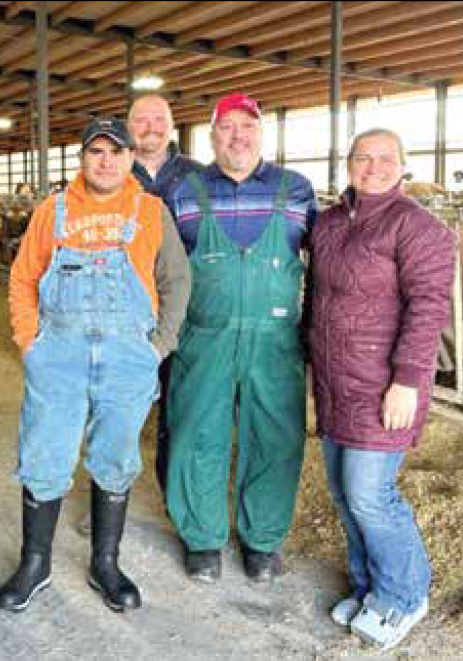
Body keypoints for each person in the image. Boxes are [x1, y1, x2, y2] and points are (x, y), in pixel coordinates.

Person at [0, 117, 190, 613]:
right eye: (96, 152)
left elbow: (176, 281)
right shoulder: (51, 211)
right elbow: (22, 279)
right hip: (58, 354)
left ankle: (105, 562)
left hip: (129, 355)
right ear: (82, 158)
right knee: (45, 454)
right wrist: (29, 342)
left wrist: (158, 346)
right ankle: (35, 564)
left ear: (130, 159)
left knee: (116, 456)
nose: (106, 161)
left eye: (116, 152)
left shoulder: (151, 211)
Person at [310, 128, 454, 650]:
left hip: (384, 385)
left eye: (385, 158)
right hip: (333, 382)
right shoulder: (327, 223)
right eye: (363, 157)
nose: (373, 166)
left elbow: (429, 306)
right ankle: (369, 585)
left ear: (403, 165)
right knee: (347, 496)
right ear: (348, 163)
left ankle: (404, 597)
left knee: (372, 497)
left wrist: (408, 381)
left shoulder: (418, 227)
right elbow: (316, 297)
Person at [164, 93, 317, 585]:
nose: (238, 136)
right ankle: (203, 540)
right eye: (226, 127)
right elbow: (163, 269)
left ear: (261, 133)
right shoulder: (184, 192)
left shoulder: (297, 191)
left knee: (275, 439)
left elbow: (327, 262)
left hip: (274, 342)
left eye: (247, 126)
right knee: (196, 435)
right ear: (212, 137)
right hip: (204, 338)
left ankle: (262, 541)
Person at [75, 94, 204, 536]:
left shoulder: (198, 178)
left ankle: (177, 503)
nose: (150, 127)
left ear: (172, 126)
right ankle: (102, 500)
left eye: (159, 119)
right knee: (106, 413)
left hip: (177, 315)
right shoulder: (106, 174)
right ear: (129, 131)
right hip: (115, 320)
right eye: (140, 120)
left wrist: (167, 332)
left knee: (180, 414)